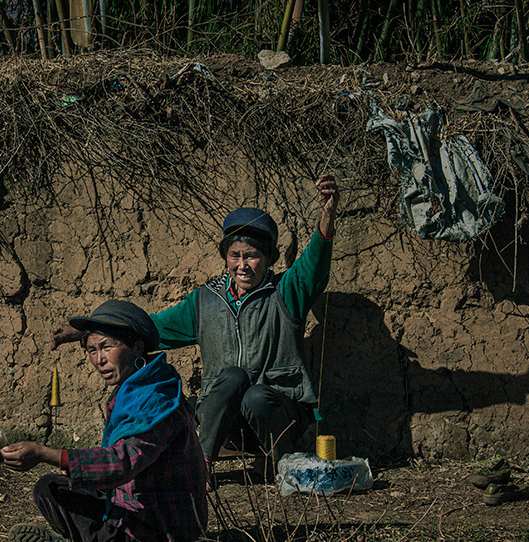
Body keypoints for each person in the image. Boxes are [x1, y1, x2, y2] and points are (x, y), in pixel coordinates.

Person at [51, 175, 339, 483]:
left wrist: (328, 216)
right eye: (235, 255)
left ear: (268, 258)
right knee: (233, 377)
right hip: (227, 425)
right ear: (226, 257)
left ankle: (283, 467)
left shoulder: (286, 291)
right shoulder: (205, 301)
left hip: (278, 418)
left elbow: (314, 263)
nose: (242, 265)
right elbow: (149, 328)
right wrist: (85, 333)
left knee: (256, 395)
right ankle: (200, 466)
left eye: (252, 255)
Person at [2, 300, 208, 542]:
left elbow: (123, 462)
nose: (99, 360)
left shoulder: (156, 401)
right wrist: (78, 470)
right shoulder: (136, 387)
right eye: (92, 350)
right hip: (134, 507)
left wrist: (46, 454)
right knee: (50, 489)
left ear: (137, 347)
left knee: (66, 491)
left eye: (107, 347)